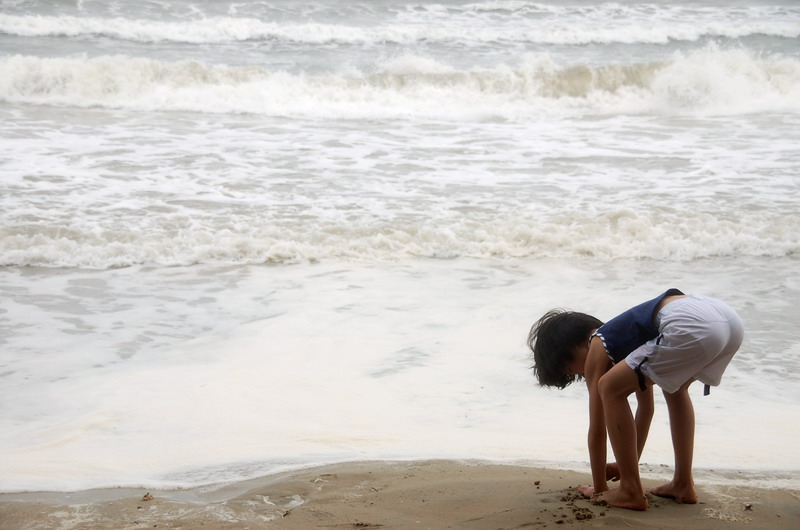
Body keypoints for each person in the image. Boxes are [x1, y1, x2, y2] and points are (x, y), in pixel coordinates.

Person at [527, 289, 744, 510]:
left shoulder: (598, 343)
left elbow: (597, 430)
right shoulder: (630, 341)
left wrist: (600, 488)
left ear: (571, 348)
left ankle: (630, 491)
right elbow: (645, 409)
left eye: (573, 371)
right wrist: (624, 466)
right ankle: (682, 483)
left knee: (608, 387)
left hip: (691, 323)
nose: (583, 376)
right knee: (675, 389)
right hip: (726, 320)